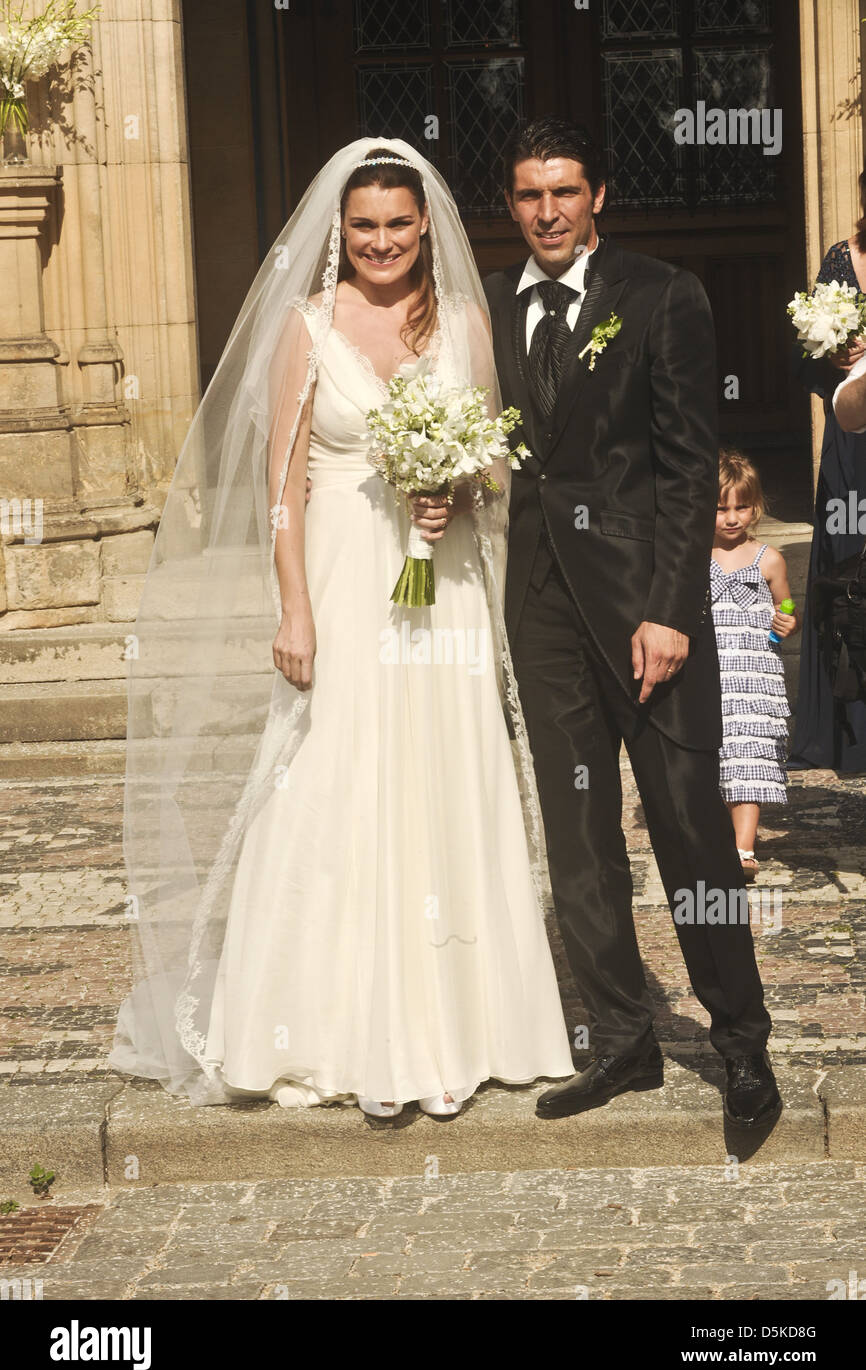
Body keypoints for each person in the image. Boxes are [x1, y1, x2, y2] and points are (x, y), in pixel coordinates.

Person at [109, 139, 574, 1117]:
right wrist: (293, 605)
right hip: (339, 575)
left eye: (397, 223)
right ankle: (322, 1024)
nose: (380, 240)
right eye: (362, 225)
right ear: (340, 231)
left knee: (445, 772)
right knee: (329, 774)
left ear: (422, 226)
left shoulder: (463, 325)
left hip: (439, 587)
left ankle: (464, 1025)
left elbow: (498, 467)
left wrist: (452, 481)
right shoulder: (305, 326)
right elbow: (281, 484)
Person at [435, 115, 780, 1129]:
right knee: (578, 841)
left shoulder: (664, 296)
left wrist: (671, 612)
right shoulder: (489, 308)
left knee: (687, 836)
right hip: (539, 607)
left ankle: (741, 1047)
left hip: (646, 616)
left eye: (563, 191)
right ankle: (622, 1038)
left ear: (596, 201)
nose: (546, 210)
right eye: (528, 195)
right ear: (510, 207)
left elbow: (685, 466)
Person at [788, 177, 866, 772]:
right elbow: (806, 356)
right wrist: (832, 353)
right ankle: (844, 727)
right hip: (851, 438)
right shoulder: (841, 260)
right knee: (847, 562)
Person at [711, 450, 799, 881]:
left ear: (755, 506)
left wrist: (786, 622)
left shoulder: (769, 559)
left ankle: (744, 849)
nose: (731, 518)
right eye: (720, 507)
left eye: (740, 507)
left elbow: (785, 607)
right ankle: (715, 839)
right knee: (717, 760)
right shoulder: (691, 558)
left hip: (755, 680)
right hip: (711, 677)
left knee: (750, 758)